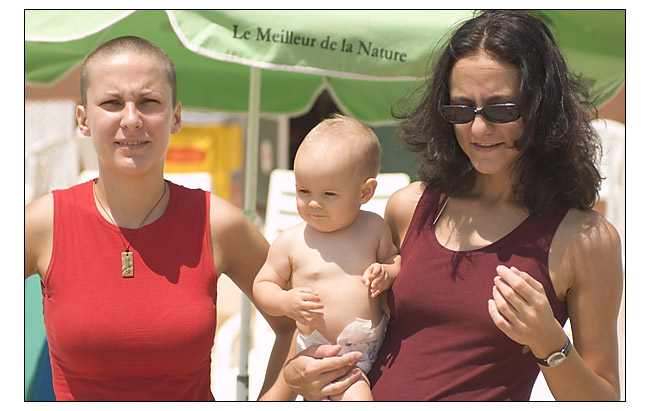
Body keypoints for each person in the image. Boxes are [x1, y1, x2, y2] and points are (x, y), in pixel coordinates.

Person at [282, 10, 623, 401]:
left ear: (542, 107)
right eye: (461, 110)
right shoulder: (408, 208)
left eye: (501, 109)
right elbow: (335, 320)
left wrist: (550, 343)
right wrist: (296, 376)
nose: (478, 129)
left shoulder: (585, 239)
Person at [24, 35, 295, 401]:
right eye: (112, 103)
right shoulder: (44, 223)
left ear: (175, 117)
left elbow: (295, 324)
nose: (131, 119)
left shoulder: (217, 224)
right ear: (84, 120)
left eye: (149, 102)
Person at [253, 114, 401, 400]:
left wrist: (388, 273)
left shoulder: (374, 228)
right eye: (303, 190)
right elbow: (263, 285)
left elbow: (394, 260)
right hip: (321, 352)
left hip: (373, 346)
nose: (313, 202)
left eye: (329, 194)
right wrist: (284, 301)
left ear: (365, 192)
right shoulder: (292, 241)